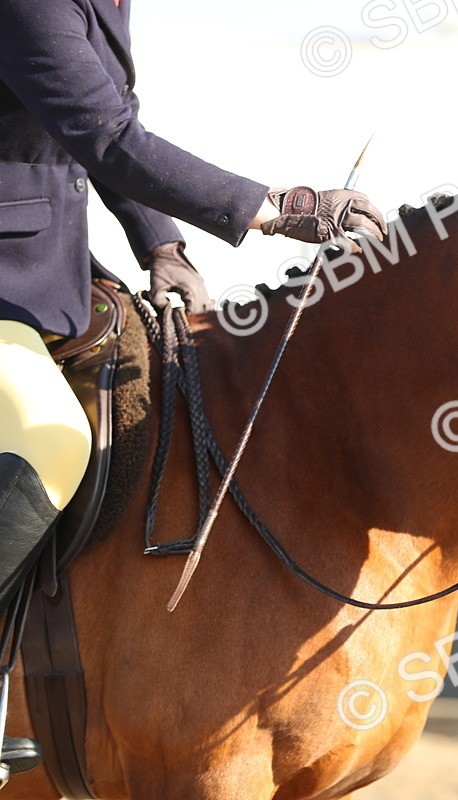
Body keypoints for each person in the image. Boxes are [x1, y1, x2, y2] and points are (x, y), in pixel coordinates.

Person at [0, 0, 386, 773]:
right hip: (10, 282)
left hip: (50, 274)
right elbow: (108, 136)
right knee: (51, 434)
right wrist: (279, 209)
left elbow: (100, 120)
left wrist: (161, 243)